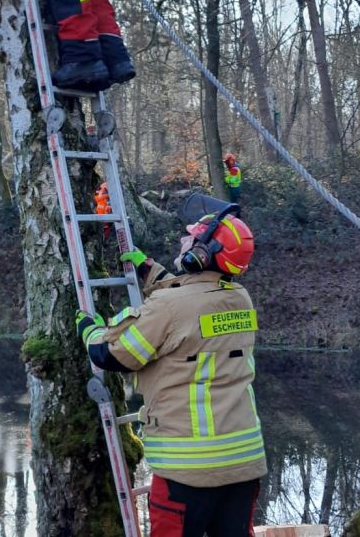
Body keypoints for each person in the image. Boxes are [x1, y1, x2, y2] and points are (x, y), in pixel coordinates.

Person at [75, 195, 265, 537]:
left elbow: (113, 355)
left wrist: (90, 331)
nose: (183, 239)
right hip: (244, 466)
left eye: (190, 238)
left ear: (201, 254)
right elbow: (191, 300)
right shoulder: (240, 298)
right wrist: (148, 269)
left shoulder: (169, 307)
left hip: (186, 472)